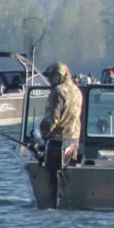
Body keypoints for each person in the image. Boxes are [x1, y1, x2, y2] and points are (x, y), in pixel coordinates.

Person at [40, 62, 83, 193]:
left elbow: (53, 119)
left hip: (58, 141)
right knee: (67, 174)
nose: (49, 80)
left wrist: (43, 134)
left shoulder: (58, 91)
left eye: (51, 77)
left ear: (59, 76)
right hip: (74, 141)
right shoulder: (77, 91)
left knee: (53, 180)